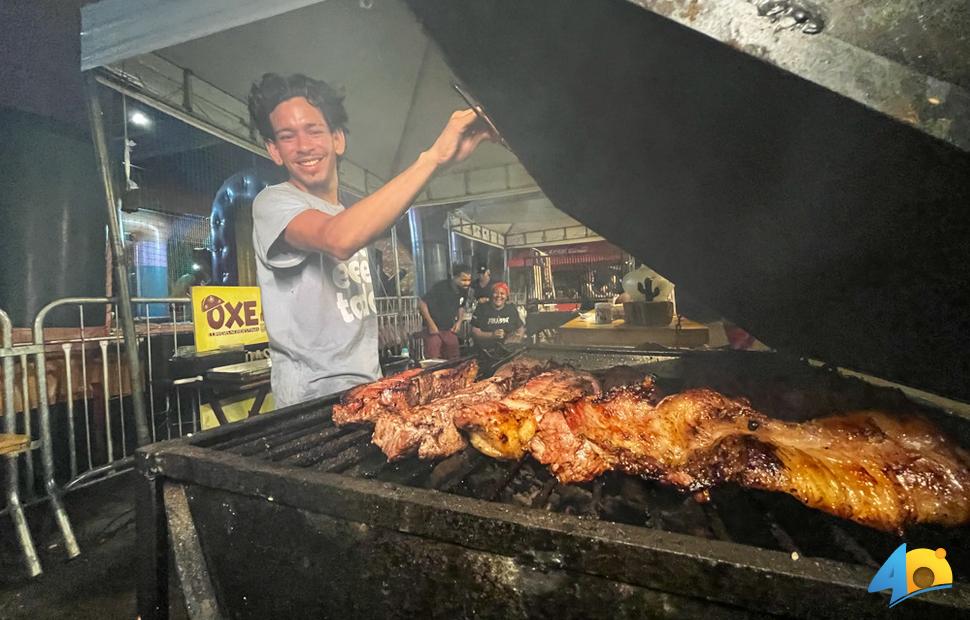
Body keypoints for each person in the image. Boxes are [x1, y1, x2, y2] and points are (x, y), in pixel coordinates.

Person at [247, 73, 491, 407]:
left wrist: (442, 164)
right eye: (287, 137)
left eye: (314, 130)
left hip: (368, 391)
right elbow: (338, 238)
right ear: (274, 151)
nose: (303, 146)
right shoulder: (273, 203)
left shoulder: (347, 212)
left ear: (338, 139)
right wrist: (432, 157)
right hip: (311, 404)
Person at [419, 264, 472, 360]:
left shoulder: (464, 290)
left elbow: (461, 306)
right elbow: (422, 303)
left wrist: (459, 322)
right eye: (463, 280)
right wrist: (431, 324)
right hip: (433, 329)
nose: (467, 283)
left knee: (454, 357)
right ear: (454, 277)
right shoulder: (440, 287)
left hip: (449, 329)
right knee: (433, 359)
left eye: (469, 280)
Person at [470, 282, 525, 354]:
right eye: (496, 293)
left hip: (507, 351)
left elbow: (520, 329)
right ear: (491, 295)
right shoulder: (481, 308)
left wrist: (514, 339)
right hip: (485, 352)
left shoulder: (511, 309)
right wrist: (492, 335)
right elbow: (474, 332)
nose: (499, 296)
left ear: (506, 297)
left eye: (502, 294)